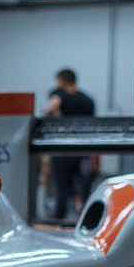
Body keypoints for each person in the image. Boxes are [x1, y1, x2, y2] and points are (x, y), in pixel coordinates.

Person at [46, 68, 96, 221]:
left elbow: (52, 107)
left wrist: (57, 117)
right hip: (82, 149)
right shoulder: (87, 100)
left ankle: (59, 220)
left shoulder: (58, 95)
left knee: (61, 189)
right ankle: (86, 220)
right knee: (83, 189)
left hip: (62, 149)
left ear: (61, 80)